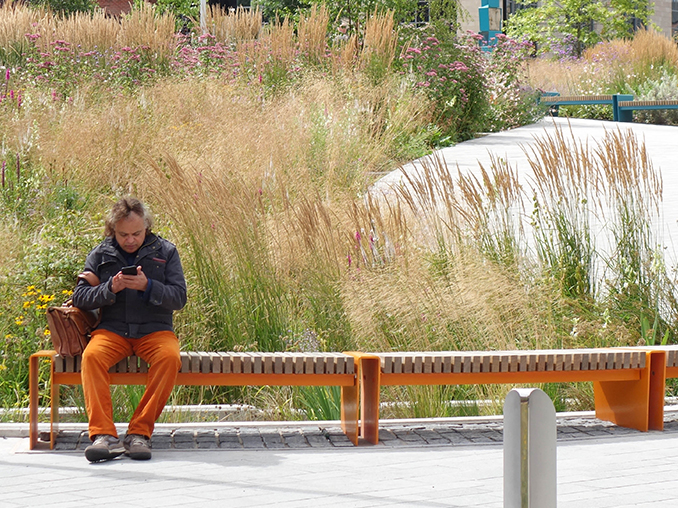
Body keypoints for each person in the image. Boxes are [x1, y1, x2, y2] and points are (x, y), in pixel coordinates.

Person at [73, 197, 186, 462]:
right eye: (123, 234)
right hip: (112, 331)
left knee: (170, 358)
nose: (131, 240)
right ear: (113, 230)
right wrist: (110, 288)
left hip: (155, 331)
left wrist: (148, 287)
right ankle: (103, 436)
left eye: (136, 233)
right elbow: (80, 298)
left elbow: (179, 298)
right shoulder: (100, 253)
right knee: (92, 357)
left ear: (147, 226)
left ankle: (139, 433)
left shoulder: (167, 251)